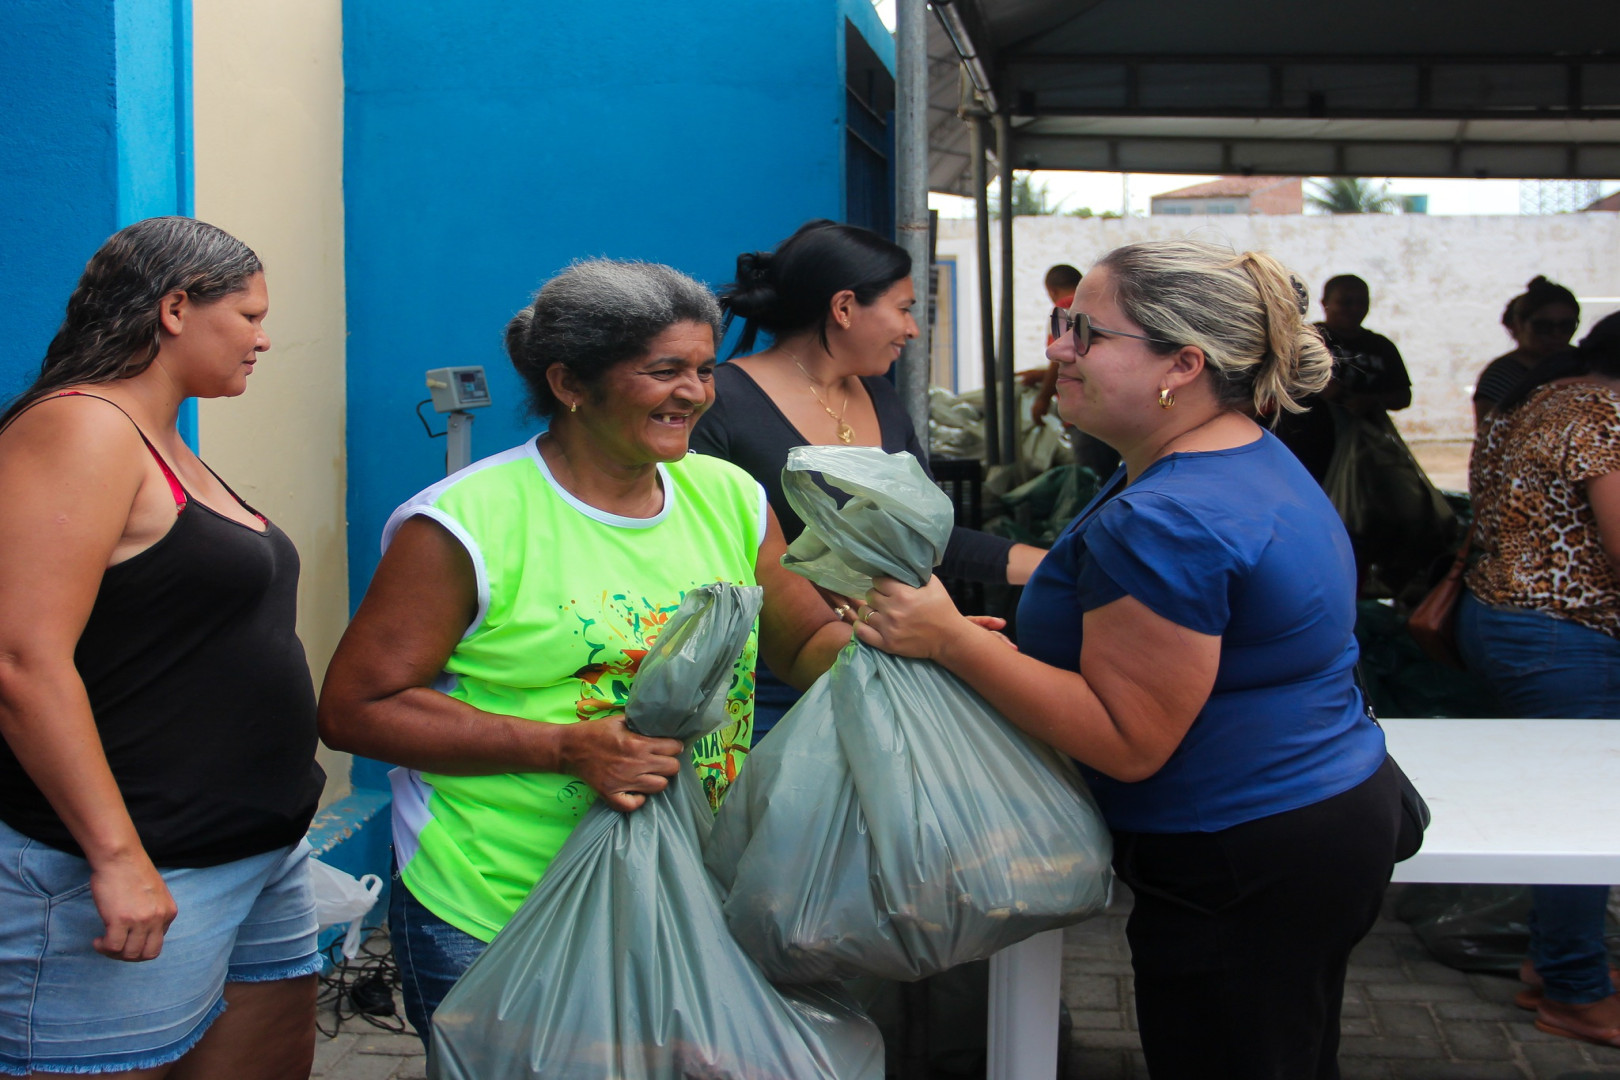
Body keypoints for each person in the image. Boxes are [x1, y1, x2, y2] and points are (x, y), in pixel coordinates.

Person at [851, 239, 1403, 1079]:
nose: (1057, 349)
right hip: (1312, 818)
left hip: (1242, 854)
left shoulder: (1169, 515)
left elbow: (1128, 739)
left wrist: (950, 639)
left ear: (1182, 364)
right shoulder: (1230, 451)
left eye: (1087, 333)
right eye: (1063, 323)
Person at [316, 259, 855, 1045]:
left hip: (689, 891)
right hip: (500, 904)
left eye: (704, 369)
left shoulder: (730, 497)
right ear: (570, 383)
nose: (695, 392)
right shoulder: (466, 523)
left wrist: (903, 654)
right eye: (664, 371)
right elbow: (356, 709)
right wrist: (566, 748)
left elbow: (803, 639)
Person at [0, 218, 325, 1079]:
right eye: (249, 316)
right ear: (176, 308)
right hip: (135, 869)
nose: (263, 340)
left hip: (256, 851)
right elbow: (21, 661)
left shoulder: (166, 440)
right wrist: (118, 859)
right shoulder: (83, 428)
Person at [691, 220, 1044, 735]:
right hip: (766, 696)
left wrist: (1055, 568)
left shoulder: (881, 397)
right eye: (904, 308)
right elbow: (704, 555)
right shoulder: (720, 402)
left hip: (885, 675)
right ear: (844, 308)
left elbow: (926, 540)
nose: (912, 330)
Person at [1457, 311, 1620, 1049]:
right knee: (1583, 815)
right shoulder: (1601, 416)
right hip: (1564, 629)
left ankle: (1550, 963)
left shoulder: (1539, 399)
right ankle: (1574, 989)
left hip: (1505, 618)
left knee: (1559, 804)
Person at [1274, 273, 1411, 483]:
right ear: (1325, 303)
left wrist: (1370, 401)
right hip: (1304, 445)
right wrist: (1333, 392)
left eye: (1361, 302)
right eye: (1345, 302)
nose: (1354, 309)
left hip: (1364, 450)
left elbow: (1403, 396)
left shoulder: (1382, 347)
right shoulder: (1305, 339)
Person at [1473, 276, 1580, 424]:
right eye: (1543, 326)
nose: (1556, 334)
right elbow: (1489, 433)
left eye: (1566, 326)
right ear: (1518, 325)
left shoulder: (1589, 365)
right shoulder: (1501, 376)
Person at [1030, 262, 1083, 425]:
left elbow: (1061, 359)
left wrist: (1043, 399)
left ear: (1052, 291)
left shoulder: (1063, 309)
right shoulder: (1099, 304)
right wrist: (1042, 375)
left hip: (1081, 406)